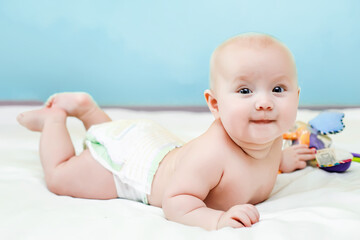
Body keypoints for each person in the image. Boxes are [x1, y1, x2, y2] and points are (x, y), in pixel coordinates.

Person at [17, 33, 316, 230]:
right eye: (245, 90)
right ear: (215, 104)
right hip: (132, 169)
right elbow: (176, 202)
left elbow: (259, 158)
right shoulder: (211, 155)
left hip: (152, 141)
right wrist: (217, 220)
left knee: (111, 134)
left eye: (278, 89)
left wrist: (283, 160)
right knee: (60, 177)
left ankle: (88, 111)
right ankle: (54, 120)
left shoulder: (268, 135)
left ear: (297, 98)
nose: (264, 103)